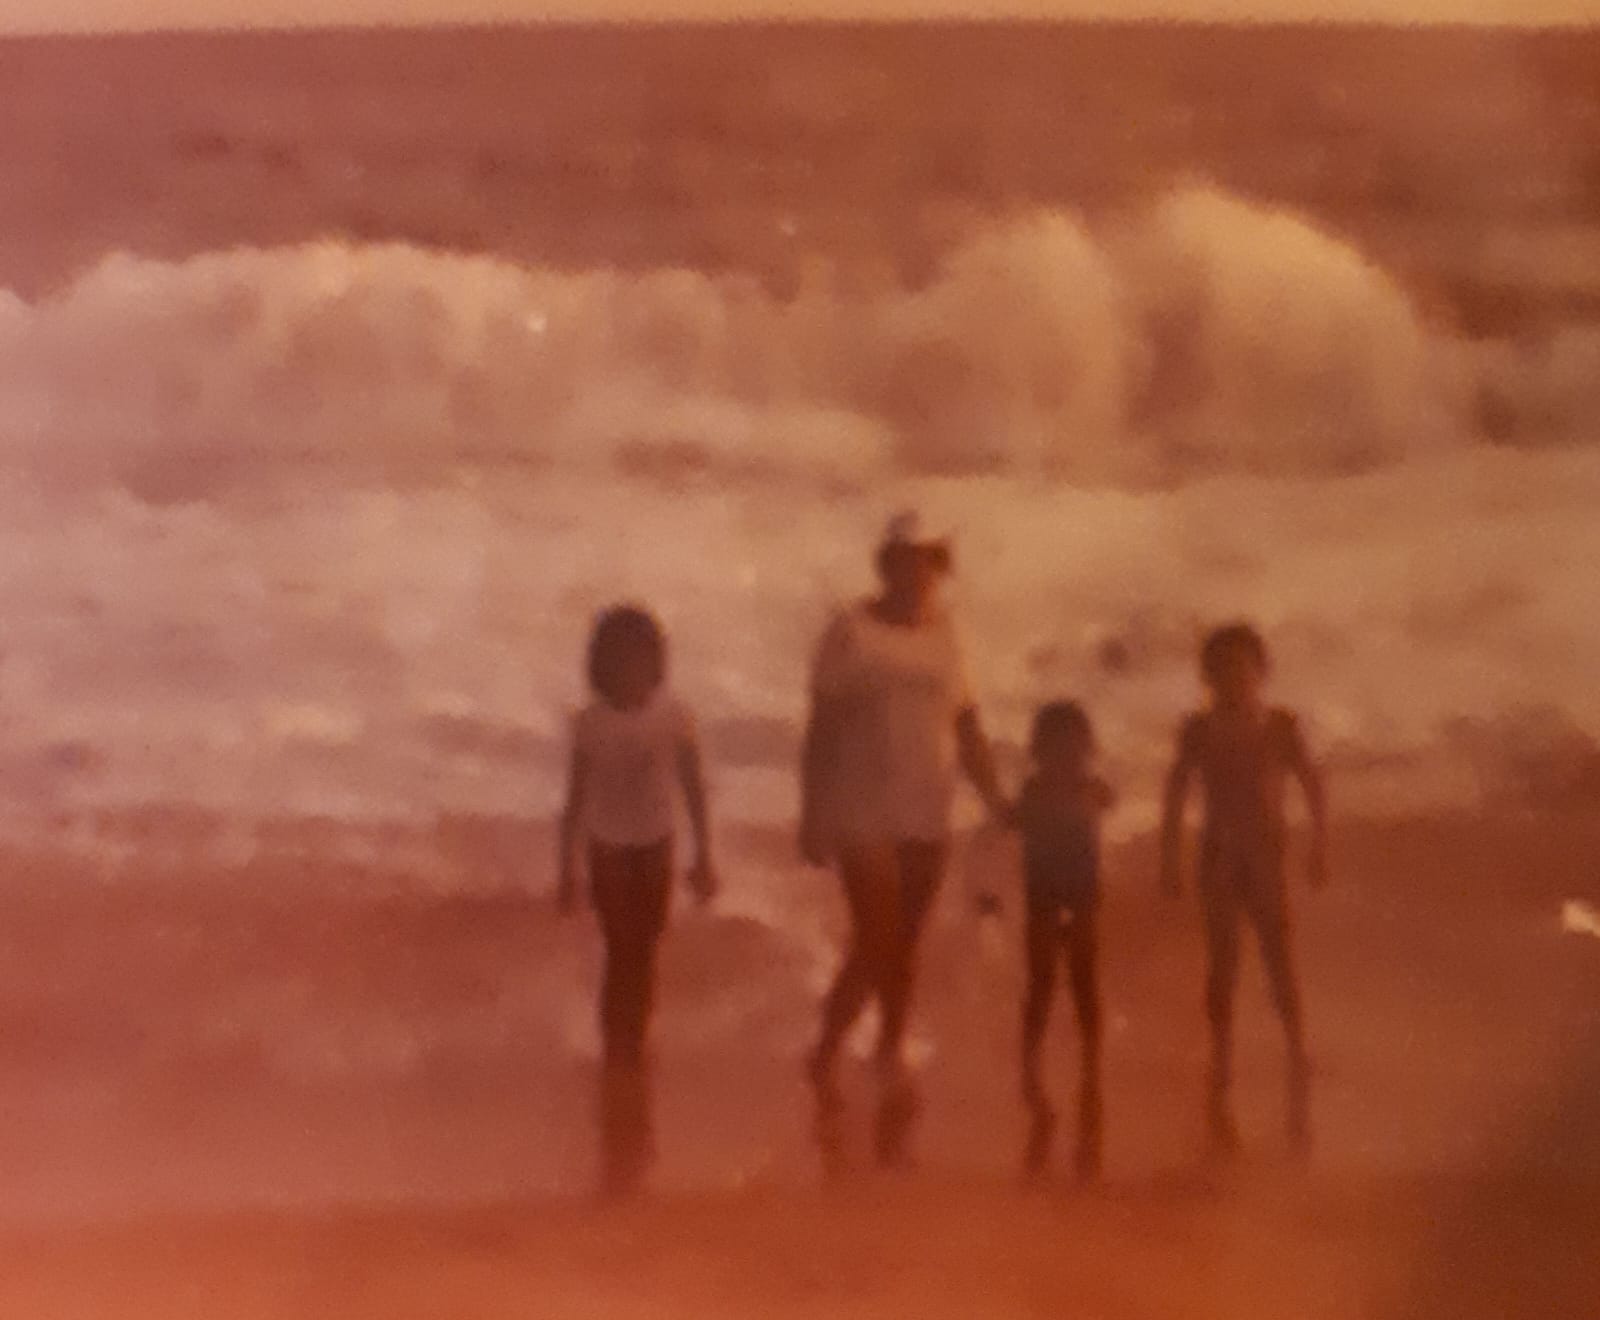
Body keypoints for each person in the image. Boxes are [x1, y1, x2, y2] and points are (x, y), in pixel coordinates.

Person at [799, 510, 1007, 1164]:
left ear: (938, 566)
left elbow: (967, 725)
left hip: (928, 806)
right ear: (885, 563)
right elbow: (822, 728)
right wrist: (812, 811)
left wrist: (996, 798)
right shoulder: (851, 632)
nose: (915, 571)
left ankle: (889, 1046)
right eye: (903, 559)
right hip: (860, 806)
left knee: (905, 942)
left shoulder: (947, 635)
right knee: (877, 934)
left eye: (927, 559)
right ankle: (828, 1045)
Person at [557, 605, 717, 1194]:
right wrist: (566, 869)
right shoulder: (591, 723)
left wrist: (704, 855)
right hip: (607, 847)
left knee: (644, 948)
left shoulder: (674, 717)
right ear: (602, 665)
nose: (631, 670)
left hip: (656, 844)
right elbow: (574, 801)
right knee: (620, 946)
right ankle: (617, 1047)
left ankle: (634, 1038)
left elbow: (694, 788)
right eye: (620, 660)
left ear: (655, 663)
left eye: (641, 659)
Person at [1160, 622, 1327, 1158]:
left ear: (1262, 672)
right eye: (1223, 671)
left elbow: (1312, 783)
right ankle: (1221, 1070)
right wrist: (1169, 857)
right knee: (1223, 968)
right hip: (1218, 860)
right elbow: (1175, 790)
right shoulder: (1199, 729)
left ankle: (1296, 1055)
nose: (1234, 680)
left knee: (1280, 961)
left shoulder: (1279, 726)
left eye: (1243, 669)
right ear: (1208, 678)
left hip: (1266, 859)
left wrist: (1320, 845)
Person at [1008, 700, 1115, 1181]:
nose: (1066, 757)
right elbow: (1011, 822)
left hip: (1079, 895)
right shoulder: (1042, 791)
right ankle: (1034, 1064)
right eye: (1056, 749)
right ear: (1038, 751)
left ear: (1087, 749)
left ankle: (1088, 1063)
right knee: (1043, 983)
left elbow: (1012, 822)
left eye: (1074, 748)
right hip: (1046, 898)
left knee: (1082, 982)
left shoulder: (1083, 789)